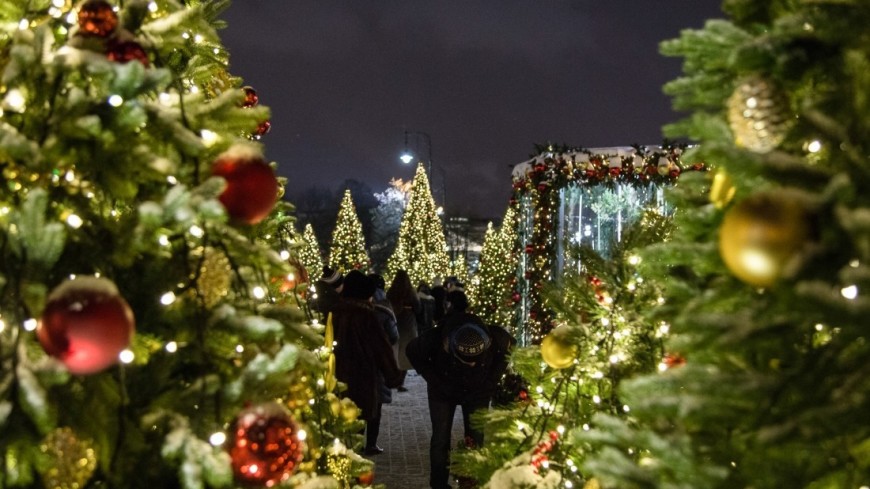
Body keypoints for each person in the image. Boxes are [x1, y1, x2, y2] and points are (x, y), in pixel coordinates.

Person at [406, 290, 514, 489]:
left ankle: (472, 481)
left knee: (476, 436)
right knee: (440, 438)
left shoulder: (497, 338)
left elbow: (508, 350)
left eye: (476, 362)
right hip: (443, 391)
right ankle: (438, 484)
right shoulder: (436, 338)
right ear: (449, 347)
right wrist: (434, 380)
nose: (471, 365)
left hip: (478, 392)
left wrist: (492, 381)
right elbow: (412, 351)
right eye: (465, 361)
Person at [331, 270, 403, 456]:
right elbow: (382, 348)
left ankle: (345, 450)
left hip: (337, 373)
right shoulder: (367, 315)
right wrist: (393, 376)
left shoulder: (334, 312)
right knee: (365, 412)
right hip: (363, 375)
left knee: (343, 413)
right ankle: (363, 449)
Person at [365, 273, 399, 455]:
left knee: (356, 402)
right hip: (377, 364)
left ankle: (354, 441)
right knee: (375, 405)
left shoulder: (355, 306)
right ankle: (371, 443)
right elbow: (394, 336)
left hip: (356, 363)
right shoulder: (385, 308)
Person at [386, 269, 420, 392]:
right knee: (406, 352)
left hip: (395, 322)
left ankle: (393, 378)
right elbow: (418, 308)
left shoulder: (392, 291)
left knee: (394, 351)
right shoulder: (410, 292)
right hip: (408, 323)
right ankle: (400, 381)